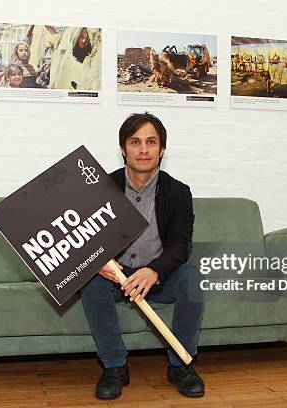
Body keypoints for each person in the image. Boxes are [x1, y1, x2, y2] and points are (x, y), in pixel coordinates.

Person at [80, 112, 205, 400]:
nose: (144, 149)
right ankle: (115, 367)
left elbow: (180, 245)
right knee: (90, 283)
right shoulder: (102, 187)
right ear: (123, 149)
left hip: (158, 276)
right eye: (135, 142)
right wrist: (97, 261)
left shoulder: (178, 192)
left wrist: (155, 270)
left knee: (193, 278)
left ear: (162, 150)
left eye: (151, 142)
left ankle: (180, 365)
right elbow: (84, 237)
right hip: (116, 276)